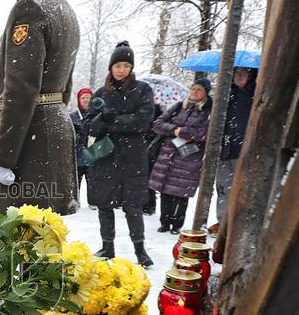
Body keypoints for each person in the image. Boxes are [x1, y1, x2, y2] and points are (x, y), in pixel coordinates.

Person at [0, 0, 80, 217]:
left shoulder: (29, 7)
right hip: (52, 129)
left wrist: (4, 156)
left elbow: (20, 88)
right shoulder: (65, 8)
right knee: (46, 243)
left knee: (24, 243)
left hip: (30, 141)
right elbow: (64, 87)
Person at [87, 41, 156, 268]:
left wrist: (113, 121)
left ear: (131, 68)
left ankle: (140, 249)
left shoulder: (143, 89)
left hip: (133, 156)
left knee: (132, 206)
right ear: (111, 67)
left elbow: (143, 121)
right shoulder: (100, 93)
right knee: (105, 205)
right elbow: (90, 127)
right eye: (117, 65)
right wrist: (102, 119)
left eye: (126, 65)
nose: (121, 70)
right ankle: (108, 246)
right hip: (105, 156)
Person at [149, 78, 213, 234]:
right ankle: (164, 221)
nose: (194, 92)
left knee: (181, 191)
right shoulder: (179, 106)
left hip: (189, 155)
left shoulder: (209, 111)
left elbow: (206, 133)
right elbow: (158, 124)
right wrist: (174, 130)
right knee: (165, 189)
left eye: (199, 89)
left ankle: (177, 223)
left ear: (205, 93)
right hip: (168, 153)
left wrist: (184, 133)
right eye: (193, 88)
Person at [214, 66, 257, 232]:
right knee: (223, 187)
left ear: (251, 75)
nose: (238, 77)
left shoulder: (255, 95)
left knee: (242, 189)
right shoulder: (227, 95)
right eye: (236, 73)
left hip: (244, 150)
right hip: (225, 149)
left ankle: (237, 224)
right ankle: (222, 221)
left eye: (243, 73)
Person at [70, 88, 92, 205]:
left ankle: (93, 202)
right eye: (83, 98)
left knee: (92, 180)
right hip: (77, 154)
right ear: (79, 99)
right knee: (76, 180)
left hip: (92, 154)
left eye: (88, 98)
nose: (86, 100)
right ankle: (75, 201)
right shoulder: (72, 116)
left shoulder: (96, 115)